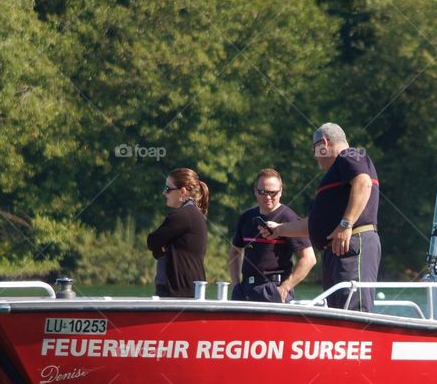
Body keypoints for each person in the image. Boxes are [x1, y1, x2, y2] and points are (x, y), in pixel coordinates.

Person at [263, 123, 380, 311]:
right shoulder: (337, 174)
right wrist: (279, 230)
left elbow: (364, 183)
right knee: (337, 310)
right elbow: (314, 224)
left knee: (352, 307)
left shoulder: (349, 155)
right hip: (337, 249)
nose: (315, 155)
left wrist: (345, 224)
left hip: (352, 243)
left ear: (324, 143)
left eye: (314, 149)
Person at [229, 168, 316, 303]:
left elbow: (309, 258)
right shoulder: (246, 218)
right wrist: (236, 285)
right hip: (245, 290)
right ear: (255, 191)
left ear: (280, 191)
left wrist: (285, 288)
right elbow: (235, 251)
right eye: (262, 192)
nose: (267, 197)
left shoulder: (289, 218)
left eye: (272, 193)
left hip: (274, 289)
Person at [146, 168, 208, 297]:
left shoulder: (182, 215)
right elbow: (156, 244)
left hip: (178, 292)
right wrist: (161, 249)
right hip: (188, 289)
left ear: (182, 191)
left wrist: (162, 248)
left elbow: (152, 241)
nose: (164, 192)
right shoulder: (193, 213)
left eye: (168, 189)